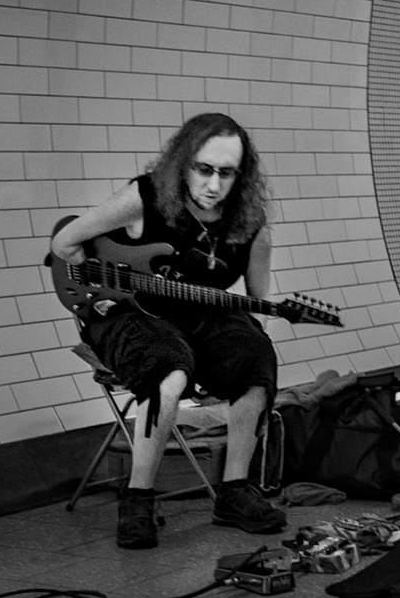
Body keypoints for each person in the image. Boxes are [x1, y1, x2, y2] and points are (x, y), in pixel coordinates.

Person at [49, 112, 287, 548]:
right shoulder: (144, 198)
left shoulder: (251, 228)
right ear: (183, 163)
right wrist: (105, 281)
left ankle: (234, 490)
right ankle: (138, 498)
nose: (214, 184)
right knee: (169, 372)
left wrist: (243, 345)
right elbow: (64, 242)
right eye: (204, 169)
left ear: (241, 175)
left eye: (227, 173)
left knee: (256, 359)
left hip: (203, 316)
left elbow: (257, 306)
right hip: (131, 315)